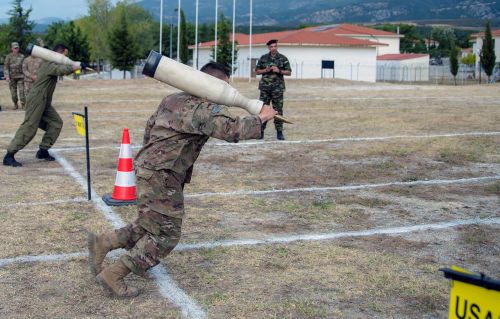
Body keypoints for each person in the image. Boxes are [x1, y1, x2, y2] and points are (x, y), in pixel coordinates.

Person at [87, 62, 277, 298]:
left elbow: (149, 128)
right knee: (166, 234)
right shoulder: (203, 108)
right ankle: (114, 274)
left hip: (148, 169)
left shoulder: (172, 99)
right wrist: (262, 117)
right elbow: (232, 130)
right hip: (162, 176)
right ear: (219, 84)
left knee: (150, 224)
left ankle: (104, 242)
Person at [3, 44, 81, 167]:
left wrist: (75, 66)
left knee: (56, 123)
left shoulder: (52, 62)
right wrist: (74, 66)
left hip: (44, 101)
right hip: (37, 100)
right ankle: (9, 155)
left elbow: (63, 68)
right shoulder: (50, 64)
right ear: (61, 53)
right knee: (30, 127)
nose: (67, 57)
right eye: (66, 54)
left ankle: (43, 151)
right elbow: (61, 70)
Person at [255, 39, 292, 140]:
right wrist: (265, 70)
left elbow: (289, 72)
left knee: (278, 110)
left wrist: (279, 70)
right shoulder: (263, 58)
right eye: (271, 47)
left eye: (275, 46)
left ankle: (279, 133)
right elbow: (257, 71)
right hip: (265, 89)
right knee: (263, 110)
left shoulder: (283, 58)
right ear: (268, 48)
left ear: (277, 47)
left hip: (277, 89)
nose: (273, 48)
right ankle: (261, 131)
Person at [4, 42, 26, 110]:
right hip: (12, 77)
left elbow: (24, 66)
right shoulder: (8, 57)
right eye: (15, 48)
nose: (16, 49)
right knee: (13, 94)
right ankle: (15, 104)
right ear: (12, 48)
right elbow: (6, 67)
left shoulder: (22, 56)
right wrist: (7, 76)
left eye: (17, 48)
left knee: (22, 92)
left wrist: (26, 75)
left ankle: (23, 104)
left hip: (20, 77)